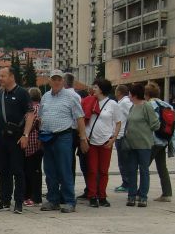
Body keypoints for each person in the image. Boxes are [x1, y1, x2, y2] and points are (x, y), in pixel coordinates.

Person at [38, 69, 88, 213]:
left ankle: (69, 200)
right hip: (47, 137)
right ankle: (53, 199)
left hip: (63, 136)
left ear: (63, 81)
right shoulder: (45, 97)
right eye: (54, 79)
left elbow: (80, 118)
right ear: (50, 81)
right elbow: (41, 117)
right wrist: (41, 136)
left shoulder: (71, 97)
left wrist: (83, 138)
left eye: (59, 79)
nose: (56, 82)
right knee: (49, 170)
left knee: (65, 169)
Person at [0, 67, 34, 214]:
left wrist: (25, 135)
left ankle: (19, 202)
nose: (0, 78)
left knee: (18, 171)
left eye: (3, 76)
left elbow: (30, 114)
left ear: (12, 76)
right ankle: (4, 201)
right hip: (1, 138)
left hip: (16, 138)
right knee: (3, 170)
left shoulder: (22, 93)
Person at [83, 78, 121, 208]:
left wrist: (113, 138)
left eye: (96, 87)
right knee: (92, 170)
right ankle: (92, 195)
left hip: (106, 141)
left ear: (102, 89)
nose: (93, 89)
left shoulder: (112, 104)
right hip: (92, 141)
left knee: (103, 170)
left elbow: (118, 122)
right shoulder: (90, 102)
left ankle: (102, 195)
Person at [123, 84, 160, 208]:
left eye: (129, 94)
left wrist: (144, 131)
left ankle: (143, 196)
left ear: (134, 95)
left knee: (144, 170)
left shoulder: (147, 106)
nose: (128, 96)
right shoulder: (132, 107)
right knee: (131, 170)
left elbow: (155, 124)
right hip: (131, 144)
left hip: (144, 144)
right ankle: (131, 195)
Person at [145, 81, 173, 202]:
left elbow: (149, 124)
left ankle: (140, 193)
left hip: (153, 140)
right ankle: (167, 193)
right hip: (164, 139)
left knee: (143, 166)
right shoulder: (167, 105)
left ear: (146, 94)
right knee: (162, 167)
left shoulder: (149, 105)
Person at [23, 87, 44, 206]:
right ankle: (37, 196)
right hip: (39, 144)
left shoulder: (31, 110)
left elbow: (28, 125)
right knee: (37, 171)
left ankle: (29, 196)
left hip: (29, 144)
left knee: (28, 171)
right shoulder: (42, 108)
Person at [113, 84, 132, 193]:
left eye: (116, 90)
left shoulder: (125, 102)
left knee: (123, 161)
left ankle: (127, 183)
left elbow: (131, 114)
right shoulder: (121, 102)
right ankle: (126, 182)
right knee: (123, 161)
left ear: (119, 92)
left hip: (122, 136)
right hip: (120, 135)